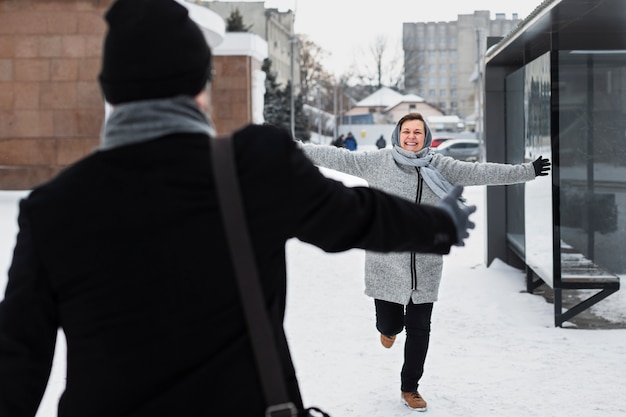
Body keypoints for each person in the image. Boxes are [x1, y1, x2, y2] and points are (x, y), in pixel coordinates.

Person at [0, 3, 477, 417]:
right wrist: (439, 225)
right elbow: (355, 215)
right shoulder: (251, 166)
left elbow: (17, 357)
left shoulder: (51, 208)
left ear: (111, 91)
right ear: (200, 87)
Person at [300, 112, 550, 412]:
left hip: (427, 263)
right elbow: (336, 157)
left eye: (418, 132)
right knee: (391, 323)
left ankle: (410, 388)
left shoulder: (441, 166)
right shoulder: (378, 162)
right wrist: (291, 148)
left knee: (420, 329)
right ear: (398, 134)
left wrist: (527, 171)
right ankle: (388, 328)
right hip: (387, 262)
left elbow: (482, 172)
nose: (412, 137)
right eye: (407, 131)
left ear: (426, 136)